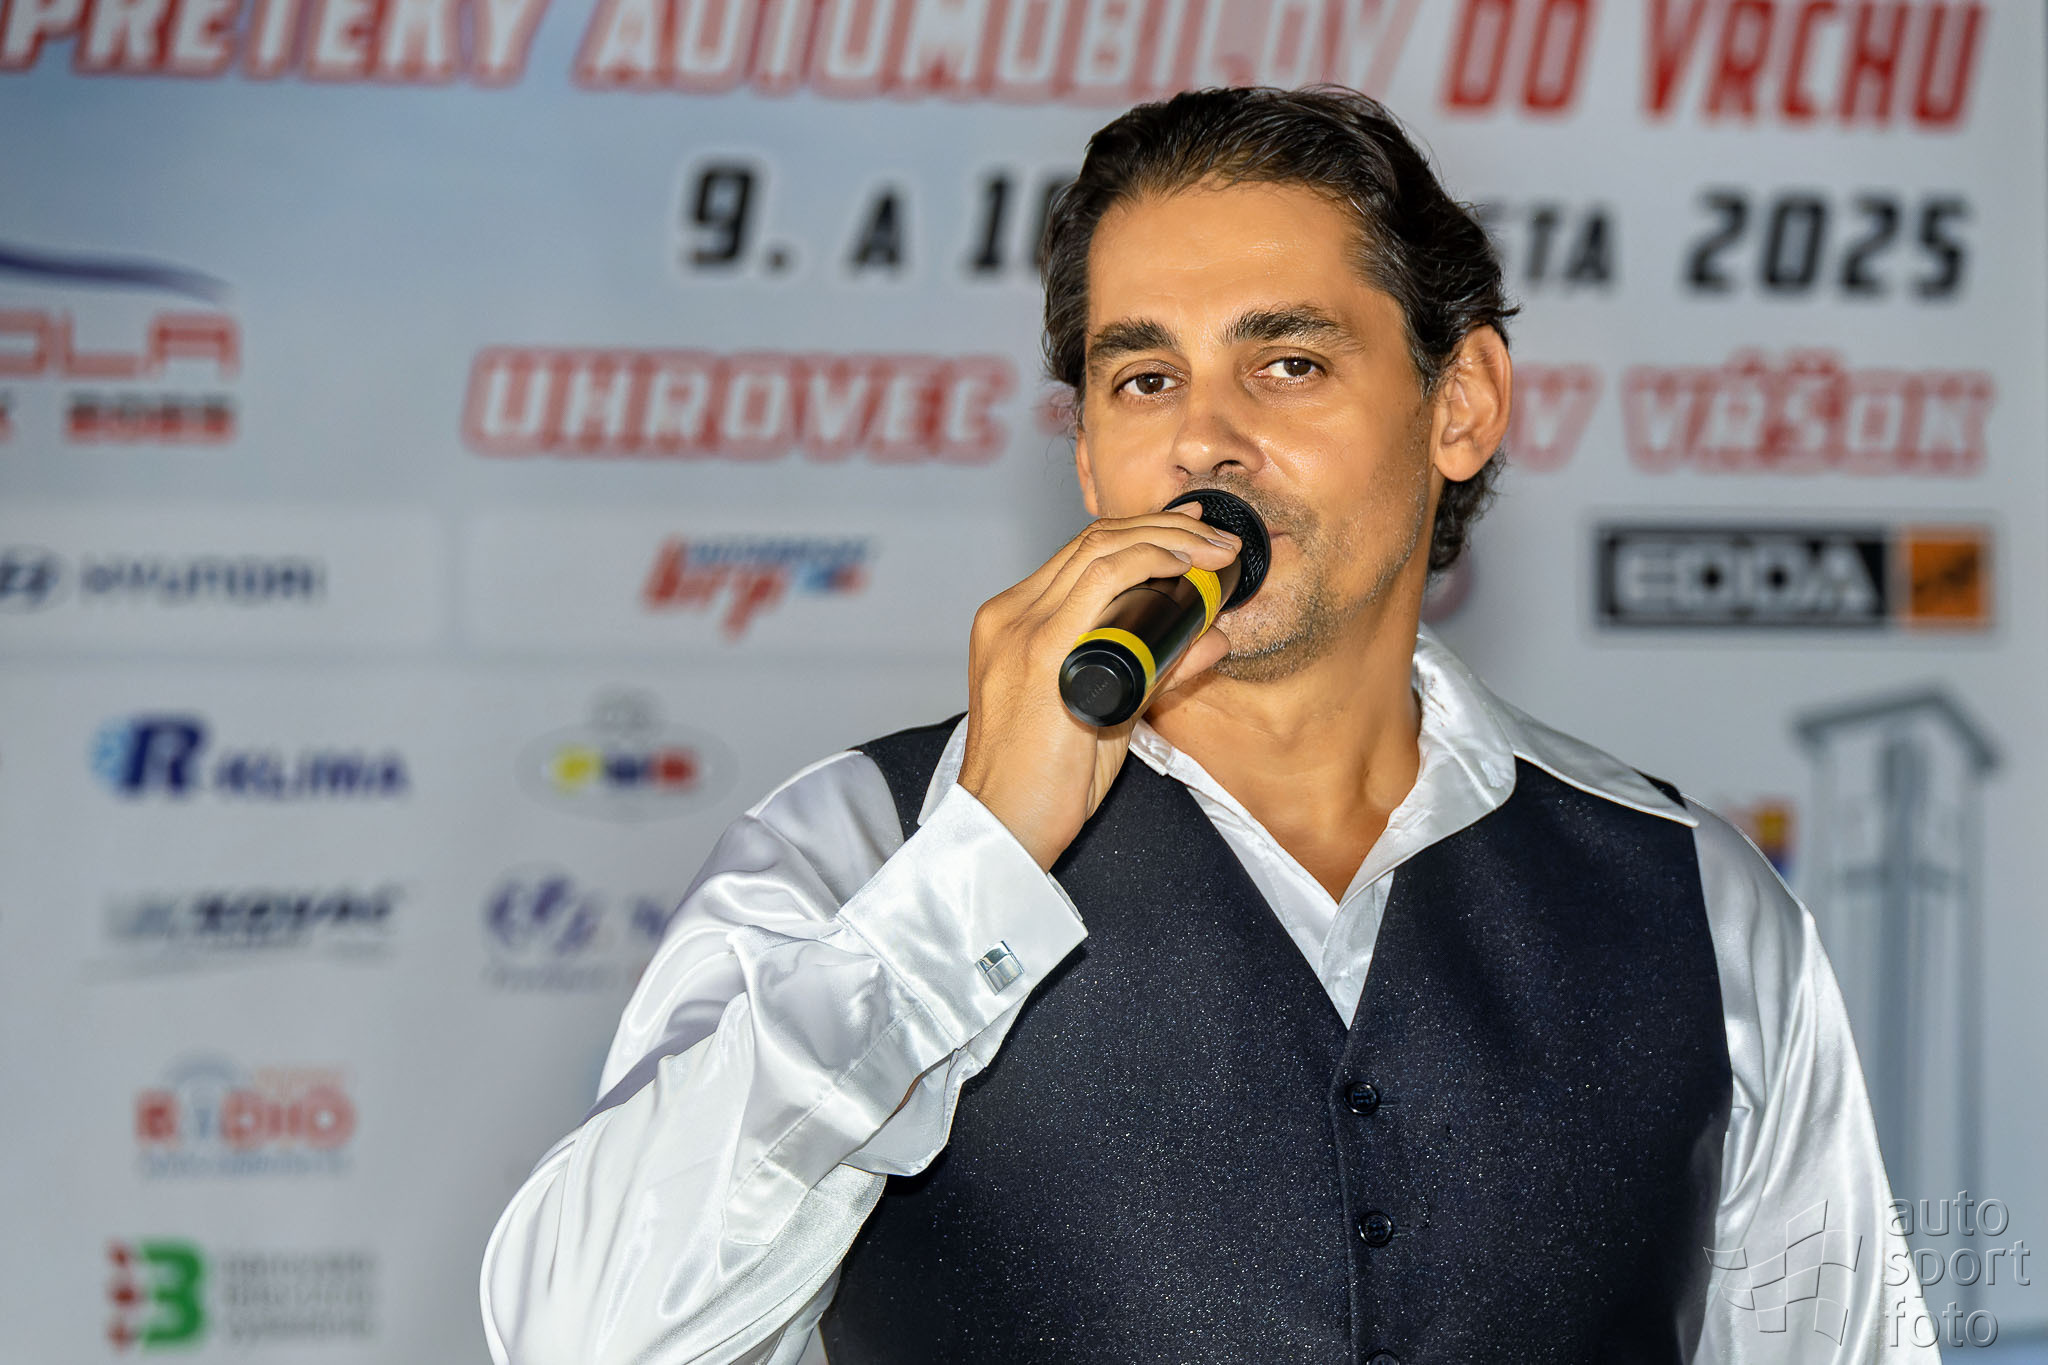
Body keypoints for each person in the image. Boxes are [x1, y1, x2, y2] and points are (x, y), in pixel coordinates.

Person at [481, 86, 1936, 1364]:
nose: (1203, 441)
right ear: (1085, 448)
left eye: (1287, 363)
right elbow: (579, 1338)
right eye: (1144, 378)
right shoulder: (858, 848)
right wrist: (976, 863)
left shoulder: (1691, 899)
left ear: (1463, 404)